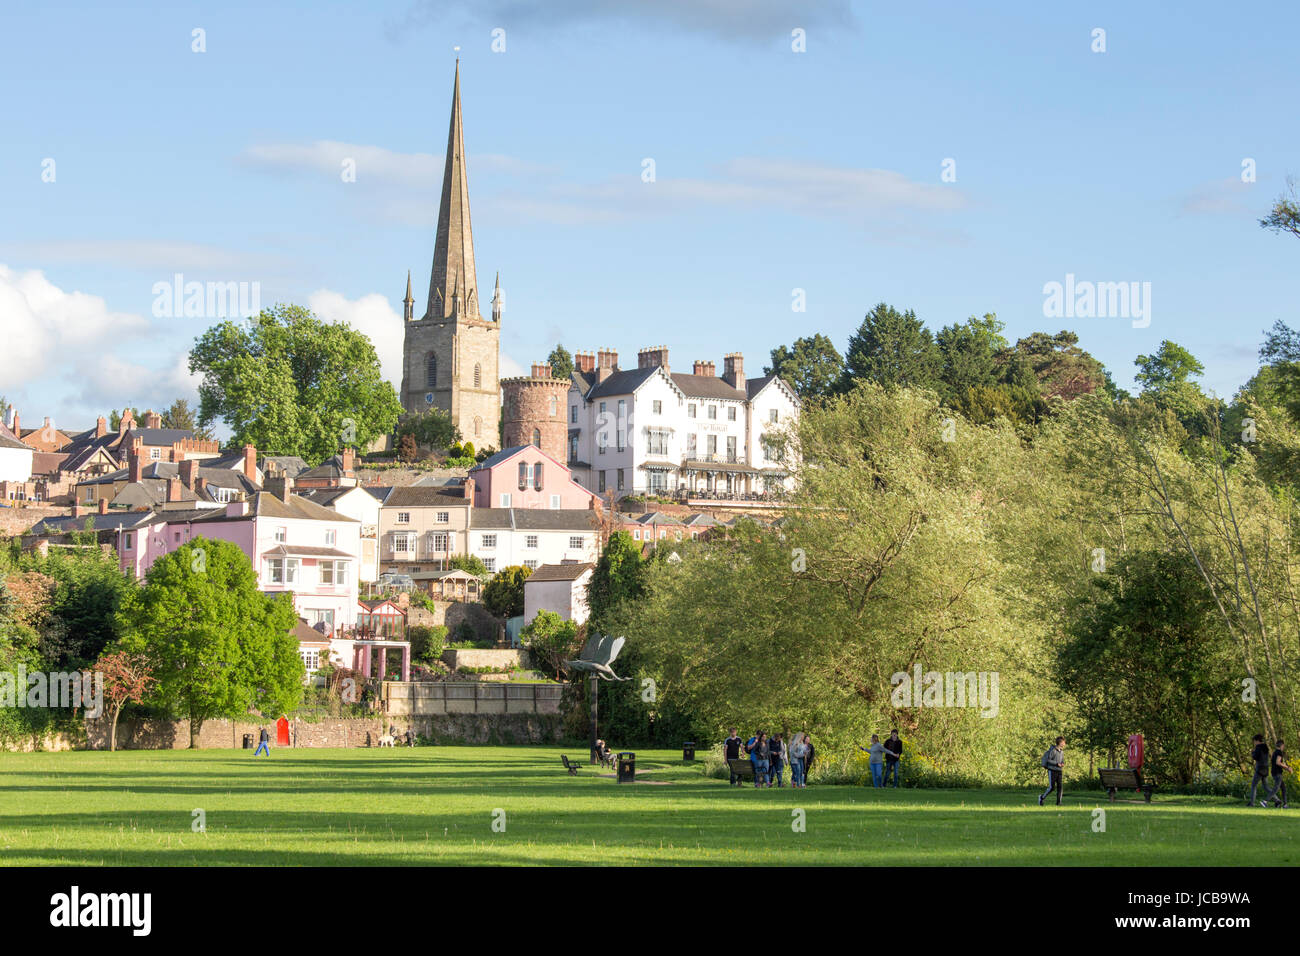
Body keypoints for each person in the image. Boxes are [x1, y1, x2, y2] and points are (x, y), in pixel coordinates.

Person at [1039, 737, 1065, 805]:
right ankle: (1042, 797)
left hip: (1059, 771)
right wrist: (1056, 764)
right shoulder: (1053, 750)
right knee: (1052, 787)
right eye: (1063, 742)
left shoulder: (1062, 751)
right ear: (1060, 743)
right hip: (1052, 770)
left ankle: (1059, 802)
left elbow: (1062, 760)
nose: (1064, 743)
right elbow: (1048, 760)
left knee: (1060, 787)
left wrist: (1062, 763)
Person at [1266, 739, 1291, 809]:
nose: (1283, 747)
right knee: (1276, 788)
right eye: (1283, 746)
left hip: (1274, 773)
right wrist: (1288, 768)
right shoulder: (1279, 752)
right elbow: (1278, 762)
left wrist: (1286, 767)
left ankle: (1284, 804)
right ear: (1282, 745)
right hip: (1278, 773)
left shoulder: (1274, 752)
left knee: (1283, 788)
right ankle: (1265, 801)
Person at [1247, 733, 1271, 806]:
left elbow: (1256, 757)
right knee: (1266, 787)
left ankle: (1252, 803)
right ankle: (1277, 800)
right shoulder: (1266, 747)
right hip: (1266, 768)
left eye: (1254, 741)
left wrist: (1252, 752)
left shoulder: (1258, 747)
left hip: (1260, 769)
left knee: (1253, 785)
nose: (1254, 743)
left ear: (1257, 740)